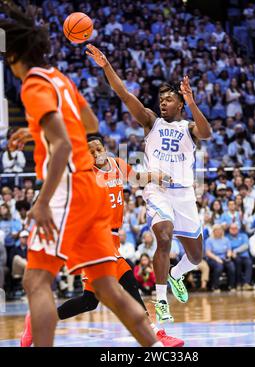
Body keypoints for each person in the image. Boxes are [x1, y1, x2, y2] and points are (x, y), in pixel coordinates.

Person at [2, 3, 160, 347]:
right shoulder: (59, 78)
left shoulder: (32, 85)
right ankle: (158, 349)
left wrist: (43, 202)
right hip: (91, 191)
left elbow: (61, 146)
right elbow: (89, 125)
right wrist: (36, 130)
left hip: (67, 191)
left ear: (14, 55)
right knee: (109, 290)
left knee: (36, 283)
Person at [86, 44, 211, 322]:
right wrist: (106, 65)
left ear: (179, 103)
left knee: (196, 257)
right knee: (164, 236)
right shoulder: (150, 121)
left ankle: (177, 276)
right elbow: (124, 94)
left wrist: (192, 102)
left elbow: (207, 132)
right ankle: (162, 300)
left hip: (185, 194)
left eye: (168, 99)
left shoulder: (189, 127)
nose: (162, 103)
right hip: (157, 191)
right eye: (161, 99)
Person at [20, 136, 183, 347]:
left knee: (89, 301)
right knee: (128, 278)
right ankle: (155, 334)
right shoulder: (85, 175)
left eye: (99, 150)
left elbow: (138, 178)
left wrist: (157, 176)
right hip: (95, 236)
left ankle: (38, 320)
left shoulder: (117, 164)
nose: (97, 155)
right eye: (91, 153)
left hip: (112, 238)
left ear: (105, 149)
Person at [205, 224, 236, 292]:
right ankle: (215, 286)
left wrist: (228, 255)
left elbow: (229, 250)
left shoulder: (226, 239)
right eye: (217, 230)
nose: (219, 231)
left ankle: (231, 286)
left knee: (231, 267)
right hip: (213, 258)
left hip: (224, 257)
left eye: (220, 230)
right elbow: (208, 252)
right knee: (219, 267)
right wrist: (216, 258)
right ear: (214, 231)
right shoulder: (209, 240)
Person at [226, 223, 253, 291]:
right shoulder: (227, 237)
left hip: (244, 255)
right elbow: (227, 247)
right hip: (233, 256)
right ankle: (238, 283)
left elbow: (246, 246)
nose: (234, 230)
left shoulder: (243, 235)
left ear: (238, 229)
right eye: (232, 228)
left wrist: (235, 251)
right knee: (237, 262)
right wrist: (232, 253)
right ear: (229, 229)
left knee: (249, 263)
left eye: (235, 228)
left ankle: (246, 283)